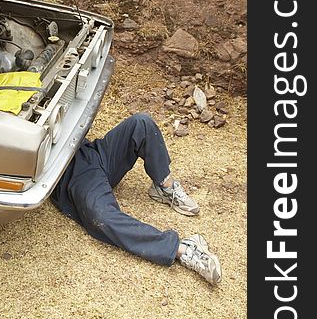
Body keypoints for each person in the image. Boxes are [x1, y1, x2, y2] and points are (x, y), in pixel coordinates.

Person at [51, 113, 222, 285]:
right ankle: (183, 249)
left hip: (91, 152)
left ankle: (164, 186)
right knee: (103, 217)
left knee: (141, 123)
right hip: (74, 176)